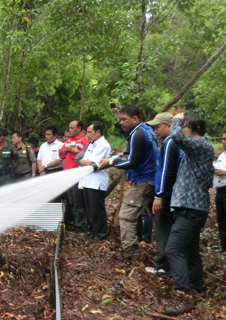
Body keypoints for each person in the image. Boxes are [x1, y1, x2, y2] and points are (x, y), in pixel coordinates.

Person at [163, 113, 214, 316]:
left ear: (195, 129)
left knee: (173, 250)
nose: (181, 128)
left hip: (191, 209)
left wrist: (175, 119)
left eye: (184, 125)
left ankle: (184, 295)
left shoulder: (202, 145)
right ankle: (196, 285)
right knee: (190, 250)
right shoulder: (198, 148)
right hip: (189, 207)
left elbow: (176, 137)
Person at [99, 105, 158, 260]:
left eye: (124, 119)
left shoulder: (138, 134)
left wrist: (112, 162)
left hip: (144, 181)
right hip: (152, 179)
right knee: (157, 216)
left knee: (126, 215)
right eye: (120, 119)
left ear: (135, 119)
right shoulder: (147, 130)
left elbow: (133, 162)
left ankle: (130, 253)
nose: (121, 123)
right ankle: (164, 250)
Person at [146, 112, 182, 276]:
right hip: (175, 194)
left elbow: (167, 171)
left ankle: (164, 265)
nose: (155, 131)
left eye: (158, 127)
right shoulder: (178, 142)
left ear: (169, 126)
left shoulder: (169, 143)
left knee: (162, 228)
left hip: (167, 195)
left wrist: (159, 195)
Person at [77, 121, 112, 240]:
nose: (87, 135)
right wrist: (86, 162)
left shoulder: (103, 145)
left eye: (90, 132)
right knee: (88, 209)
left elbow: (95, 165)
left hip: (96, 182)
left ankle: (100, 233)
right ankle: (91, 231)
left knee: (97, 209)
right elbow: (84, 161)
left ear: (98, 132)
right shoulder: (91, 144)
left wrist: (86, 162)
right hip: (86, 181)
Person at [60, 119, 90, 232]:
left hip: (77, 175)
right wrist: (66, 149)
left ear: (80, 129)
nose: (70, 130)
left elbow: (88, 156)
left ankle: (80, 225)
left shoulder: (84, 141)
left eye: (72, 128)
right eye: (69, 128)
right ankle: (73, 222)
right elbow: (61, 153)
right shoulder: (68, 140)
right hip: (66, 174)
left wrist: (77, 152)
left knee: (78, 201)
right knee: (71, 200)